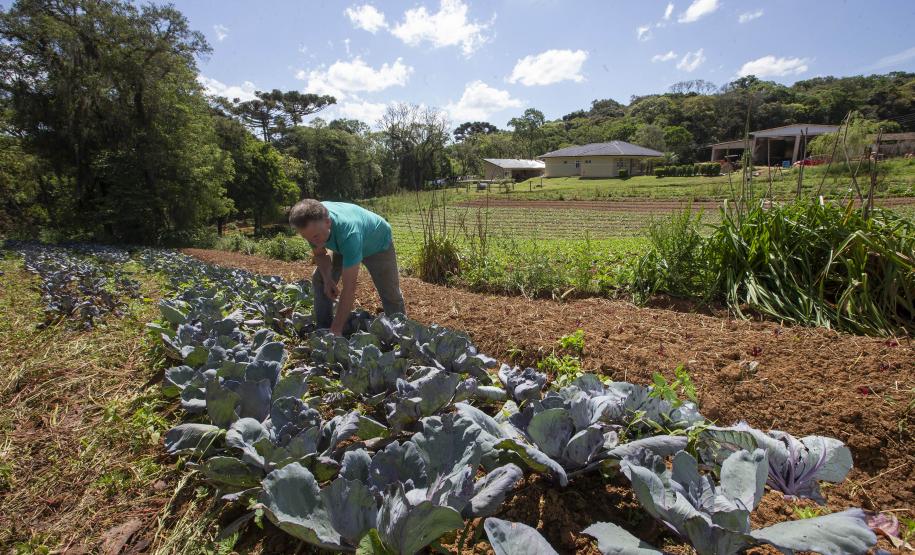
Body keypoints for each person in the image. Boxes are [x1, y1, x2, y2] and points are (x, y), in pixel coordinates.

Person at [288, 199, 405, 336]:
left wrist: (337, 330)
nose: (313, 241)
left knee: (390, 294)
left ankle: (400, 332)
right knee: (319, 278)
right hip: (343, 245)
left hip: (377, 243)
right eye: (307, 238)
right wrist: (327, 279)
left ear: (328, 222)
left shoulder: (349, 233)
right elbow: (320, 254)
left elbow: (349, 289)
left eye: (315, 236)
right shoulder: (311, 223)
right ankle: (323, 327)